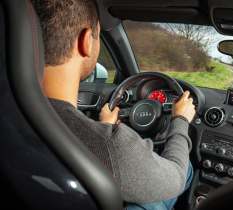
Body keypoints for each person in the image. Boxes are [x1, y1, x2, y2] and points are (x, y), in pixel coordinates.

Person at [31, 0, 196, 210]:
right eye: (97, 35)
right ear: (86, 42)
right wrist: (180, 121)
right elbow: (176, 177)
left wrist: (104, 127)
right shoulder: (112, 146)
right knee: (186, 169)